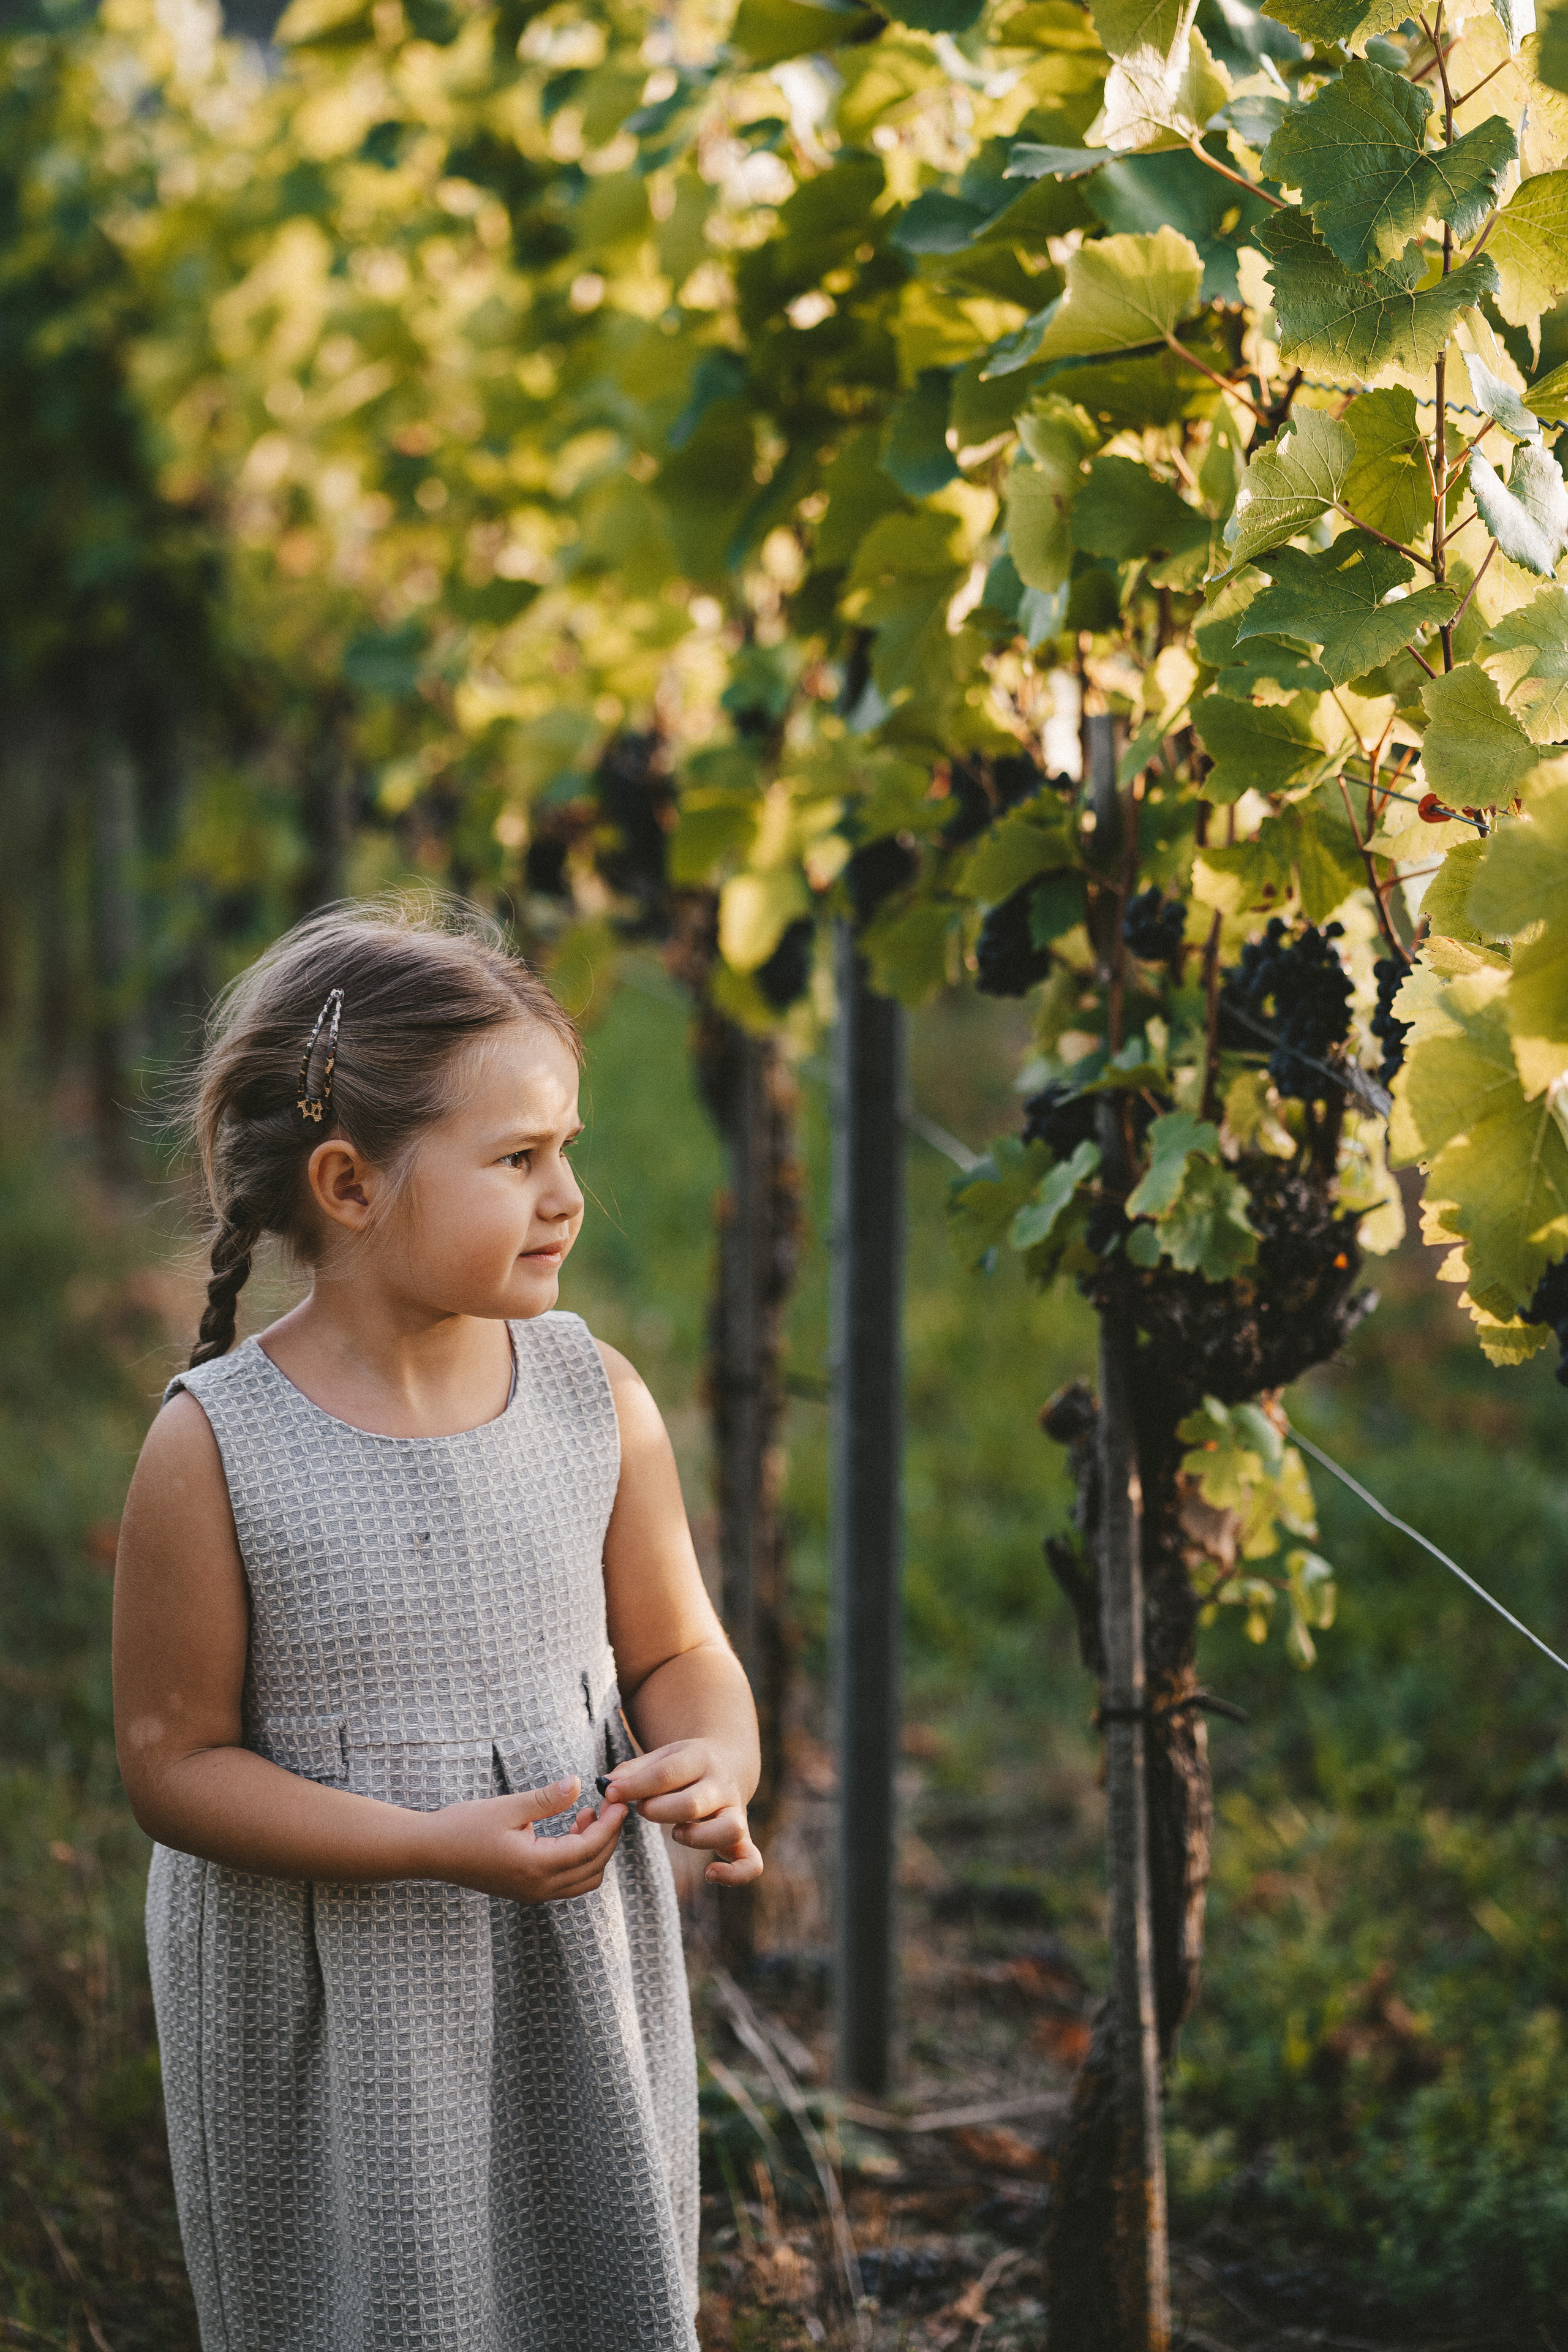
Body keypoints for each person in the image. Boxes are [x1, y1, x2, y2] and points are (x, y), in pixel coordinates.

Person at [111, 897, 762, 2352]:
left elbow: (676, 1653)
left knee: (576, 2273)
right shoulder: (221, 1446)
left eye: (568, 1153)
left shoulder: (595, 1398)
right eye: (518, 1160)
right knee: (371, 2298)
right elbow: (172, 1763)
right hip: (337, 1996)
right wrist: (422, 1846)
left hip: (564, 1971)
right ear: (348, 1184)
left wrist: (717, 1758)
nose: (565, 1197)